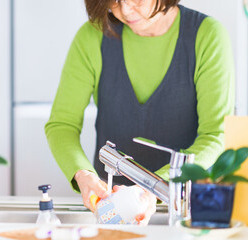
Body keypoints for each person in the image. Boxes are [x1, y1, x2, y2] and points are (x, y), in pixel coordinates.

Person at [45, 0, 234, 223]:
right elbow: (62, 125)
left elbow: (215, 135)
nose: (124, 10)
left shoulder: (207, 36)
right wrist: (83, 174)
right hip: (114, 212)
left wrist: (158, 187)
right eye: (112, 0)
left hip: (188, 212)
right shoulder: (92, 37)